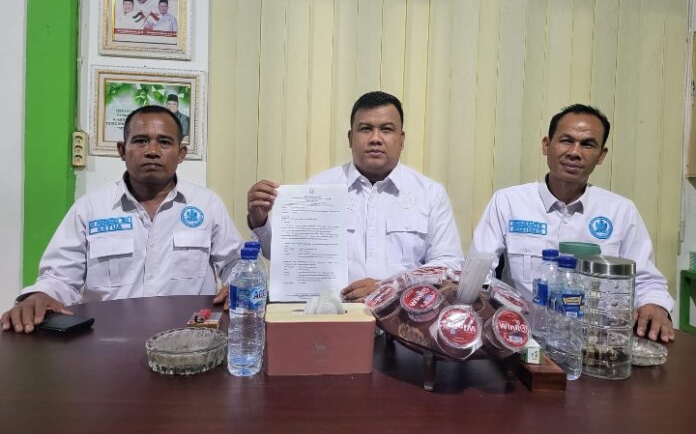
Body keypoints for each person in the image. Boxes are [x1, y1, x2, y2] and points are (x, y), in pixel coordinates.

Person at [1, 105, 243, 334]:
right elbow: (59, 278)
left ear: (181, 154)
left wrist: (239, 284)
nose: (152, 151)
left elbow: (236, 263)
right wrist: (40, 296)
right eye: (140, 141)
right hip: (107, 341)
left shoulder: (206, 205)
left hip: (190, 339)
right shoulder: (91, 209)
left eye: (164, 142)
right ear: (121, 150)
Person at [217, 91, 463, 305]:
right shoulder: (319, 188)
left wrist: (389, 287)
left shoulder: (430, 193)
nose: (375, 138)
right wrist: (260, 220)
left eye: (387, 129)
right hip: (333, 317)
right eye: (365, 129)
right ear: (350, 138)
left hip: (403, 319)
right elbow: (285, 255)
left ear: (402, 139)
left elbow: (449, 265)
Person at [471, 103, 675, 343]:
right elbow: (478, 271)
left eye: (587, 144)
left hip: (596, 340)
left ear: (601, 156)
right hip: (522, 335)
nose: (575, 152)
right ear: (546, 145)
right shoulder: (508, 202)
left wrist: (655, 305)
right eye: (566, 140)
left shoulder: (620, 211)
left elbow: (645, 279)